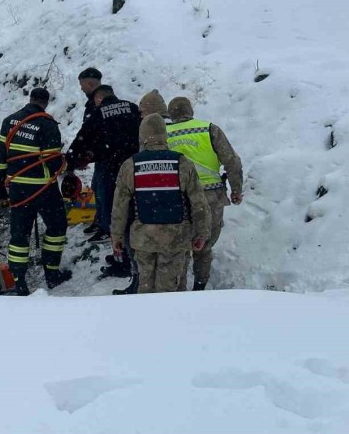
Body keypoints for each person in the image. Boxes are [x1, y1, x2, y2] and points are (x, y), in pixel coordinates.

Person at [110, 114, 211, 294]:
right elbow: (199, 203)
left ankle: (148, 319)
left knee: (146, 286)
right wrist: (202, 233)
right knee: (172, 288)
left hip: (143, 238)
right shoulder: (182, 162)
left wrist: (117, 236)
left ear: (142, 137)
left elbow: (120, 206)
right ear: (165, 136)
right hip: (176, 237)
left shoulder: (130, 165)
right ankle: (172, 319)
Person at [0, 88, 72, 294]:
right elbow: (54, 160)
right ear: (45, 103)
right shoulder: (47, 124)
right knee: (56, 227)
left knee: (19, 236)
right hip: (43, 189)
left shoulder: (9, 122)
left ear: (30, 99)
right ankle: (52, 274)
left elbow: (1, 159)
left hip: (18, 189)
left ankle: (19, 282)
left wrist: (0, 188)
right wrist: (67, 169)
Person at [166, 96, 244, 291]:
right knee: (205, 244)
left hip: (178, 198)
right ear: (190, 111)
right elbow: (232, 161)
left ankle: (178, 286)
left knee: (180, 245)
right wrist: (236, 189)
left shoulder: (164, 134)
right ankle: (200, 287)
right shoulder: (209, 129)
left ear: (171, 113)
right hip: (210, 196)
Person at [66, 83, 141, 249]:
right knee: (131, 199)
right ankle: (129, 228)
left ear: (99, 98)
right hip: (135, 163)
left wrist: (70, 161)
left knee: (107, 197)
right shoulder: (133, 107)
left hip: (111, 164)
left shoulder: (98, 113)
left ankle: (110, 231)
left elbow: (82, 138)